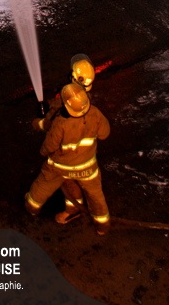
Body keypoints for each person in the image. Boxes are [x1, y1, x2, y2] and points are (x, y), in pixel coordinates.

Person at [25, 82, 111, 235]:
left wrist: (42, 151)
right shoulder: (95, 113)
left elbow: (49, 146)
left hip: (59, 167)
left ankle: (32, 208)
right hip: (87, 168)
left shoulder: (61, 122)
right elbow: (105, 134)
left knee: (41, 188)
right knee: (96, 197)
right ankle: (102, 227)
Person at [32, 53, 96, 224]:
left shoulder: (72, 102)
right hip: (79, 152)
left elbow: (53, 125)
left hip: (67, 154)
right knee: (70, 179)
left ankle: (72, 210)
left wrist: (38, 123)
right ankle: (73, 207)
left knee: (67, 180)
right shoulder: (84, 99)